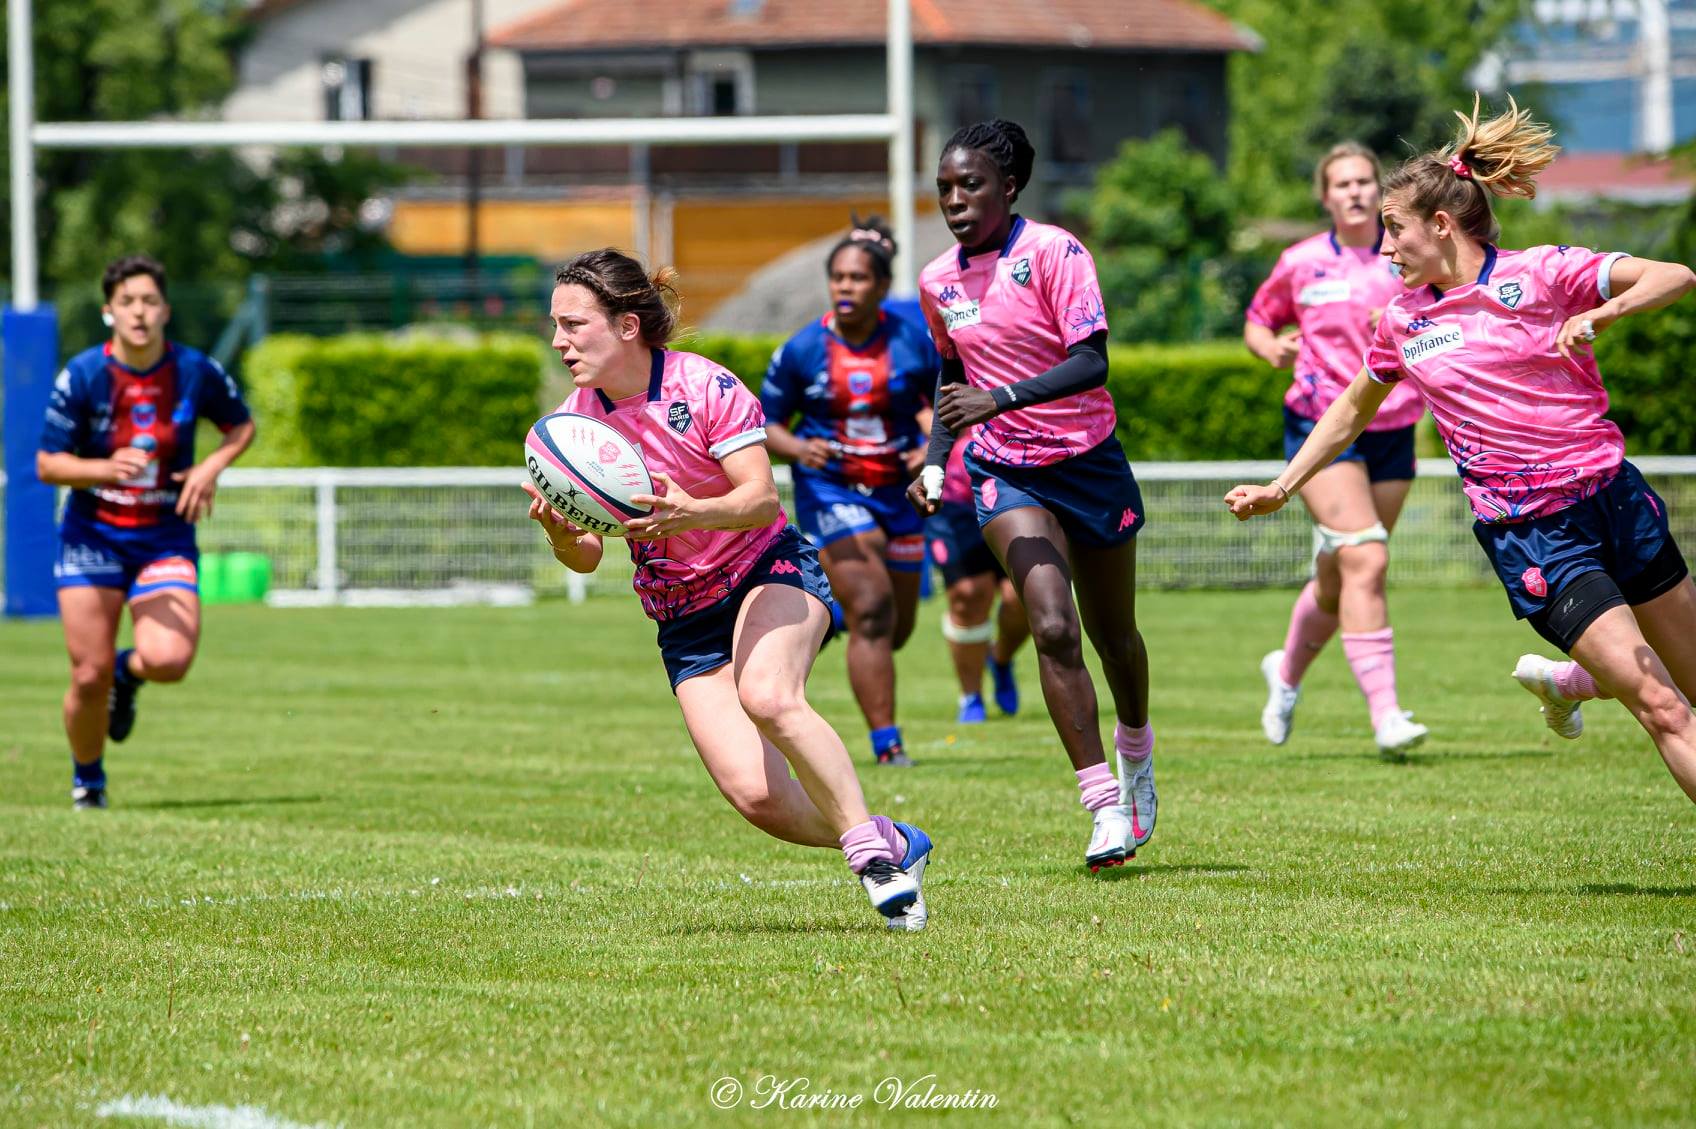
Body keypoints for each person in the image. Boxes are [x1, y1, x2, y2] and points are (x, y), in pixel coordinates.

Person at [1226, 96, 1696, 806]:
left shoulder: (1541, 274)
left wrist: (1602, 311)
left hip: (1617, 499)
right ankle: (1564, 676)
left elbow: (1675, 275)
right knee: (1662, 707)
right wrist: (1284, 485)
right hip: (1534, 534)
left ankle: (1569, 678)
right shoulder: (1402, 322)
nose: (1383, 249)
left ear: (1441, 225)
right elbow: (1352, 406)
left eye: (1394, 230)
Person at [526, 248, 935, 929]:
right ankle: (888, 838)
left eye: (573, 324)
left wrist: (691, 511)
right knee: (755, 795)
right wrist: (562, 536)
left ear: (627, 325)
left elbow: (759, 499)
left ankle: (872, 861)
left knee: (770, 695)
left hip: (763, 569)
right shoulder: (571, 428)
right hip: (684, 617)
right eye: (556, 325)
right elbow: (587, 554)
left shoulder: (704, 387)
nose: (558, 341)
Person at [908, 119, 1156, 872]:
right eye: (945, 187)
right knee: (1052, 623)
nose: (955, 200)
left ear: (1009, 187)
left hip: (1088, 461)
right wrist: (932, 459)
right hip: (1004, 470)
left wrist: (1002, 396)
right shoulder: (937, 281)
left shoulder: (1054, 253)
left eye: (971, 185)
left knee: (1115, 633)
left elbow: (1093, 362)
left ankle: (1138, 753)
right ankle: (1103, 806)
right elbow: (952, 376)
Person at [36, 255, 256, 809]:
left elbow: (241, 425)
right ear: (109, 311)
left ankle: (126, 675)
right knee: (87, 677)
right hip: (93, 535)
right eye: (127, 302)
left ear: (166, 310)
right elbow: (47, 464)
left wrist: (209, 468)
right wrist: (102, 469)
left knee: (169, 661)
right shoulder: (84, 374)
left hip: (163, 536)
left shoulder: (193, 371)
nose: (139, 312)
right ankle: (89, 781)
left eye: (150, 301)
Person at [1243, 142, 1430, 757]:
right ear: (1324, 197)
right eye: (1341, 183)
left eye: (1364, 181)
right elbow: (1258, 319)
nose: (1354, 191)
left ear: (1380, 191)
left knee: (1340, 572)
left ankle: (1285, 673)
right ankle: (1387, 717)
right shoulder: (1299, 262)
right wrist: (1269, 348)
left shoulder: (1406, 255)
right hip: (1321, 428)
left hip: (1394, 428)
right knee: (1367, 557)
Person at [761, 217, 938, 766]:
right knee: (874, 605)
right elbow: (765, 423)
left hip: (900, 494)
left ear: (882, 287)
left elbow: (938, 407)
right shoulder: (802, 348)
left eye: (858, 278)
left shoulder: (914, 341)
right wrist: (796, 449)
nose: (845, 287)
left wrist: (929, 449)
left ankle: (829, 615)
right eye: (837, 277)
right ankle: (888, 745)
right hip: (832, 488)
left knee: (896, 628)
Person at [927, 426, 1027, 723]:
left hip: (1013, 491)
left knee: (1021, 594)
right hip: (955, 502)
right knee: (969, 594)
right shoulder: (937, 378)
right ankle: (971, 696)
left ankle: (1001, 659)